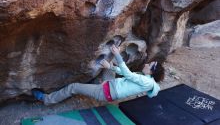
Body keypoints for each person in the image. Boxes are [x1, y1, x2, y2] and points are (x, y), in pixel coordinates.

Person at [32, 45, 165, 105]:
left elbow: (129, 75)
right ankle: (100, 78)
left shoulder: (148, 82)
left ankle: (46, 99)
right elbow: (127, 76)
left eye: (150, 65)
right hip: (110, 85)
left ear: (153, 71)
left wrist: (118, 55)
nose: (147, 64)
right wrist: (111, 67)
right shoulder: (145, 78)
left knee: (74, 87)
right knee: (110, 66)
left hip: (105, 92)